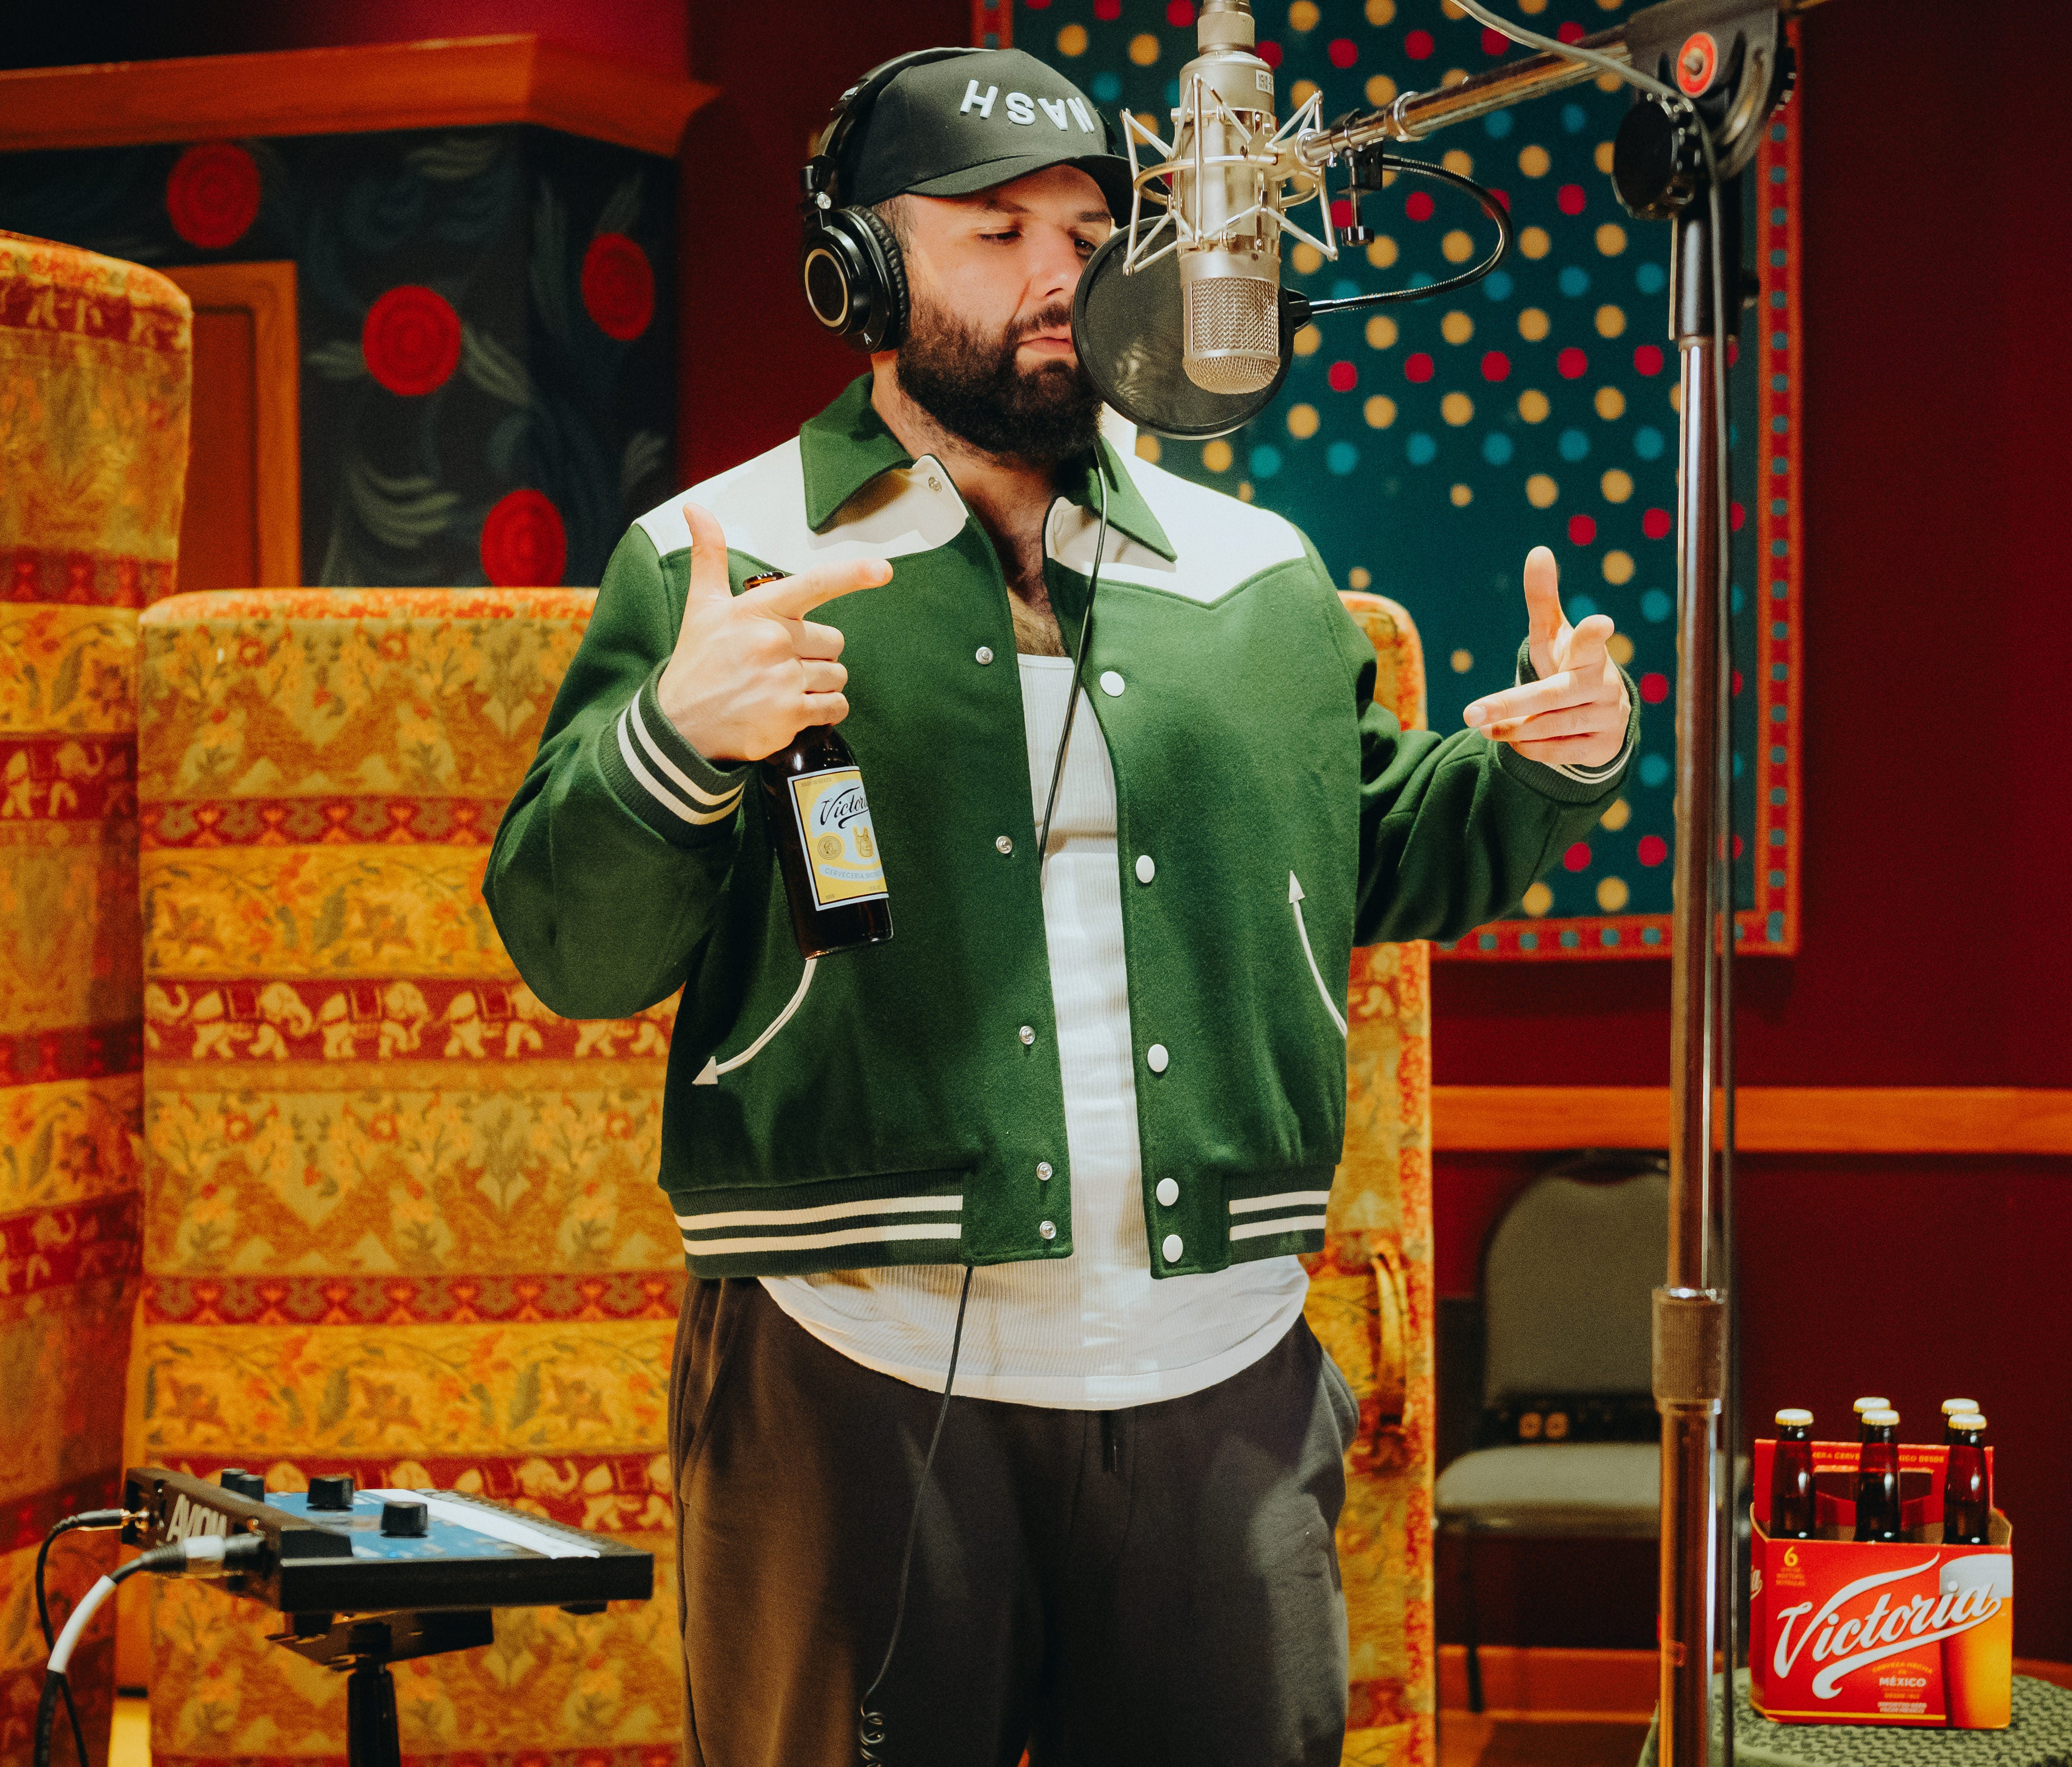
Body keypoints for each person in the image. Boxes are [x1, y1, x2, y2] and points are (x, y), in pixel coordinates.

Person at [483, 44, 1635, 1767]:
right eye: (996, 229)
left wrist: (1545, 760)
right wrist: (673, 736)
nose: (1058, 278)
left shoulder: (1256, 575)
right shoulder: (715, 558)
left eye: (1090, 233)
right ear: (859, 268)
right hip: (844, 1371)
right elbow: (575, 947)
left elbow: (1378, 852)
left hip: (1222, 1372)